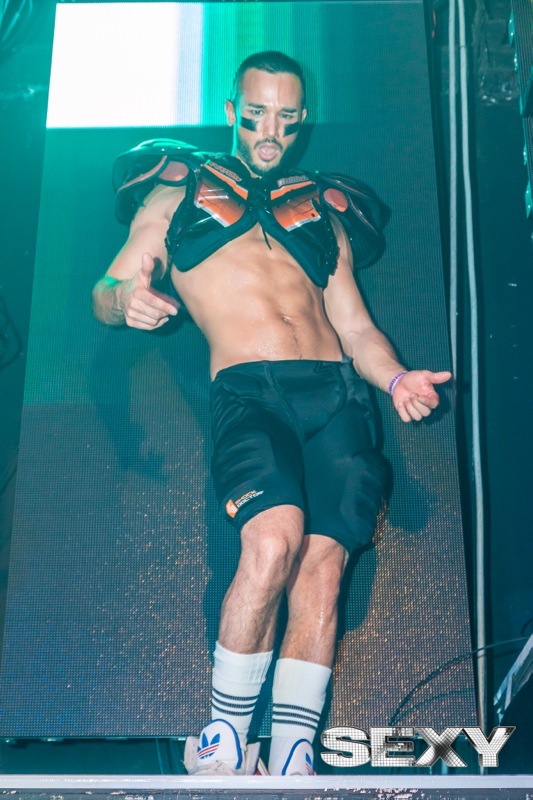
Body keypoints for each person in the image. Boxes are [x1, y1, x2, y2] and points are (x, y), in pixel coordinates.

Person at [92, 51, 451, 776]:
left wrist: (395, 378)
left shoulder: (318, 210)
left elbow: (356, 328)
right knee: (271, 544)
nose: (270, 130)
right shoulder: (176, 193)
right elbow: (108, 286)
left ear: (300, 119)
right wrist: (124, 301)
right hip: (249, 392)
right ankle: (223, 740)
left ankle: (290, 756)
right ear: (233, 111)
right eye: (256, 113)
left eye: (286, 117)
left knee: (322, 568)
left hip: (336, 397)